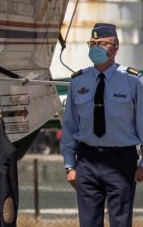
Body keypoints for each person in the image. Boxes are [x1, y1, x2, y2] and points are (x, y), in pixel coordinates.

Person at [61, 23, 143, 227]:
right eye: (92, 43)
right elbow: (70, 126)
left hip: (121, 160)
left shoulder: (133, 80)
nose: (95, 48)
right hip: (87, 159)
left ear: (115, 48)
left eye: (101, 44)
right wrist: (69, 165)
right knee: (88, 223)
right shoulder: (78, 81)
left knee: (120, 222)